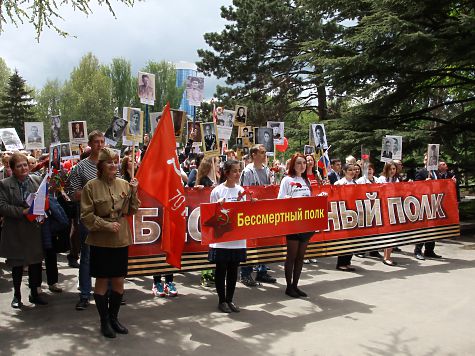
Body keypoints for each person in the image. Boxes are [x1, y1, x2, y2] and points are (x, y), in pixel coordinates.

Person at [81, 147, 140, 338]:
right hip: (101, 240)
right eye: (109, 162)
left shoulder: (124, 184)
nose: (113, 165)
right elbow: (86, 216)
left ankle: (114, 318)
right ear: (100, 165)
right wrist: (106, 225)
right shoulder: (91, 186)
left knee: (119, 281)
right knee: (101, 281)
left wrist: (134, 192)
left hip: (120, 238)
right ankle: (104, 320)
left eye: (115, 162)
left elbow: (131, 210)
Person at [0, 152, 46, 308]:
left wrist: (42, 211)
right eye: (19, 166)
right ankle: (17, 295)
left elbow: (43, 201)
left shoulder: (37, 180)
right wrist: (23, 212)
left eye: (25, 164)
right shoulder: (5, 184)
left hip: (33, 229)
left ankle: (35, 293)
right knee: (17, 264)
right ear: (12, 169)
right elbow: (2, 207)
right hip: (15, 230)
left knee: (35, 264)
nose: (23, 168)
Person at [67, 130, 106, 311]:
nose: (100, 144)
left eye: (102, 141)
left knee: (108, 255)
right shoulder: (80, 168)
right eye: (96, 142)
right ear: (90, 144)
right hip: (88, 218)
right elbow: (72, 193)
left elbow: (120, 188)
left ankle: (111, 292)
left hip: (108, 217)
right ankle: (84, 294)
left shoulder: (110, 164)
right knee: (87, 257)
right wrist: (94, 192)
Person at [208, 159, 247, 313]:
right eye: (235, 171)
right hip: (222, 239)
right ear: (227, 173)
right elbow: (210, 215)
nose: (238, 174)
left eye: (239, 170)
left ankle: (230, 300)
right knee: (221, 269)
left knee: (233, 270)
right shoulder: (217, 191)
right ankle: (221, 300)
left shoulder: (241, 190)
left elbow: (245, 214)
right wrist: (218, 206)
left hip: (237, 239)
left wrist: (251, 205)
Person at [239, 144, 276, 286]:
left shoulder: (268, 170)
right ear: (254, 155)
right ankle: (245, 273)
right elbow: (243, 192)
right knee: (250, 243)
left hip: (264, 211)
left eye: (265, 152)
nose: (264, 155)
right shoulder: (248, 172)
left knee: (263, 242)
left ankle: (262, 271)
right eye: (261, 152)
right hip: (251, 212)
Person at [278, 153, 314, 298]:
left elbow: (309, 200)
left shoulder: (306, 180)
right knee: (291, 256)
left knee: (300, 256)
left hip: (305, 223)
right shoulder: (287, 180)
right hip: (292, 222)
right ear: (293, 164)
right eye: (299, 163)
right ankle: (288, 286)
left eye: (304, 163)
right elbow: (280, 199)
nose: (302, 166)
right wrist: (287, 199)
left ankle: (295, 285)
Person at [414, 154, 442, 260]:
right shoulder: (421, 172)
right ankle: (417, 251)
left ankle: (429, 250)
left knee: (433, 227)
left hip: (434, 202)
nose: (427, 161)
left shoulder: (436, 173)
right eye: (426, 159)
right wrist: (424, 183)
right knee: (423, 227)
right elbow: (415, 187)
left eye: (429, 159)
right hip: (424, 203)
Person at [334, 163, 357, 271]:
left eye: (354, 170)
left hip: (353, 213)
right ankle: (341, 263)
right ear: (344, 171)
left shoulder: (355, 183)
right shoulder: (339, 183)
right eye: (350, 170)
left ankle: (348, 261)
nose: (352, 172)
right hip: (343, 213)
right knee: (345, 238)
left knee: (352, 239)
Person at [378, 161, 400, 266]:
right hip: (384, 208)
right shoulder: (381, 179)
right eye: (390, 169)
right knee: (387, 232)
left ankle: (388, 256)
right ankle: (386, 257)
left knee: (392, 232)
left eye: (394, 169)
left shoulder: (397, 180)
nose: (392, 171)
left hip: (393, 207)